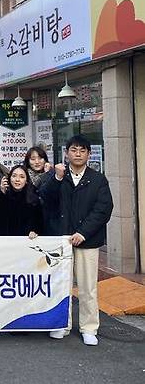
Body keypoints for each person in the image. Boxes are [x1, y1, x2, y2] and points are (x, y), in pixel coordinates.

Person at [40, 136, 113, 346]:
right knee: (61, 285)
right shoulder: (58, 175)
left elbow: (103, 209)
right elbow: (44, 198)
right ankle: (61, 324)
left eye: (82, 150)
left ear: (89, 154)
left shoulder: (98, 179)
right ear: (67, 153)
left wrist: (83, 232)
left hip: (87, 241)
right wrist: (56, 178)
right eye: (74, 150)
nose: (78, 153)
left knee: (87, 287)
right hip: (61, 241)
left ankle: (89, 327)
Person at [0, 165, 43, 238]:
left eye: (22, 177)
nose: (17, 180)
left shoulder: (33, 199)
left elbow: (39, 222)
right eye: (14, 176)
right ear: (9, 178)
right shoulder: (2, 196)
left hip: (27, 242)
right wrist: (2, 193)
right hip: (5, 242)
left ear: (26, 181)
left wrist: (34, 231)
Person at [23, 146, 58, 235]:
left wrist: (47, 174)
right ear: (28, 161)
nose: (37, 162)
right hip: (29, 225)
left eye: (40, 158)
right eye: (33, 159)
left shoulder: (53, 176)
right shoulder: (24, 176)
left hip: (49, 222)